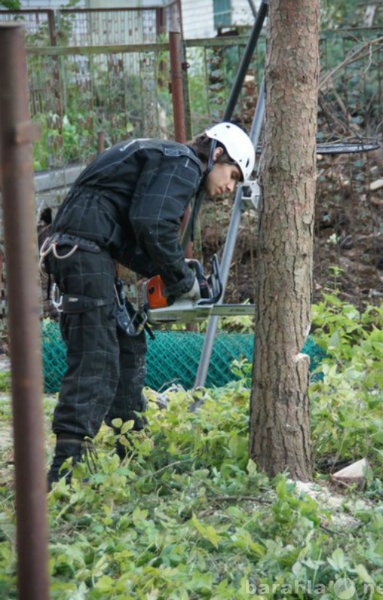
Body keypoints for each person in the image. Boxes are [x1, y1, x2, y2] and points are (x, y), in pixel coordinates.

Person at [42, 122, 255, 487]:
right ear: (217, 153)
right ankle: (63, 472)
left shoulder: (162, 159)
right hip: (82, 250)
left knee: (127, 344)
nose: (229, 187)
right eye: (232, 175)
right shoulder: (184, 162)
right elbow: (152, 224)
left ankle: (134, 451)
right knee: (97, 357)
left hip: (89, 249)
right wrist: (182, 280)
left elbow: (132, 238)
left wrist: (174, 273)